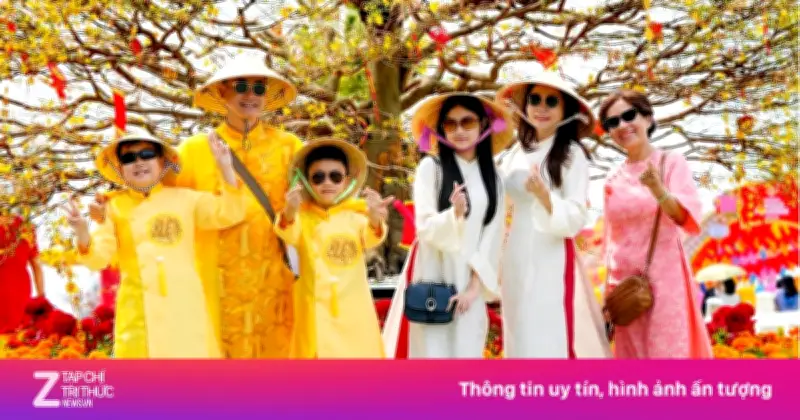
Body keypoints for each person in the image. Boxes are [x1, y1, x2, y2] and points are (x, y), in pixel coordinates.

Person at [89, 54, 303, 358]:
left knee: (277, 358)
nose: (251, 96)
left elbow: (312, 205)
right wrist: (114, 201)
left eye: (259, 88)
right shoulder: (193, 150)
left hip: (273, 277)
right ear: (222, 93)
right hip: (212, 278)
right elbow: (155, 195)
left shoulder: (290, 147)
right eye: (241, 87)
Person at [64, 132, 245, 358]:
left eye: (146, 154)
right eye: (129, 158)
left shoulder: (186, 199)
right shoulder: (113, 207)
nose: (138, 162)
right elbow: (98, 259)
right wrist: (82, 232)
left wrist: (226, 168)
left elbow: (229, 212)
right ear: (120, 169)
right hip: (138, 315)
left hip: (185, 308)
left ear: (161, 161)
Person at [494, 71, 610, 358]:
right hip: (515, 252)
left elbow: (577, 216)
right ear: (525, 105)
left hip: (550, 254)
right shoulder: (514, 153)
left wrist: (546, 198)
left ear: (565, 110)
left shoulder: (571, 153)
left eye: (551, 101)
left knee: (547, 331)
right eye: (535, 99)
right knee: (517, 330)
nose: (541, 107)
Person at [387, 93, 510, 358]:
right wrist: (454, 215)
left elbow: (493, 235)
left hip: (471, 278)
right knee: (432, 353)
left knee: (467, 351)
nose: (459, 130)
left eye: (467, 122)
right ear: (441, 129)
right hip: (433, 273)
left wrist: (474, 289)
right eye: (450, 124)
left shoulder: (495, 178)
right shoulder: (430, 168)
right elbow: (424, 226)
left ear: (483, 124)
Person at [599, 89, 712, 358]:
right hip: (625, 287)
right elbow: (610, 240)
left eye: (629, 116)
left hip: (665, 280)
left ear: (648, 118)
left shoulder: (670, 163)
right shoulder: (612, 179)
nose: (622, 125)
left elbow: (684, 218)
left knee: (668, 356)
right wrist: (608, 293)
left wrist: (659, 190)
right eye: (612, 122)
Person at [275, 138, 392, 358]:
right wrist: (290, 210)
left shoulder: (357, 216)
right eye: (318, 177)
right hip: (314, 311)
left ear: (346, 181)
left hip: (352, 309)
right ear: (306, 181)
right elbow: (287, 232)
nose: (327, 183)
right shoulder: (302, 217)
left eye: (335, 176)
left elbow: (372, 237)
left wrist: (375, 218)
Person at [0, 213, 44, 332]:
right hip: (20, 288)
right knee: (18, 335)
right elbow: (36, 265)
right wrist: (41, 298)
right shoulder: (25, 226)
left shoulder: (25, 226)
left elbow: (36, 265)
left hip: (17, 292)